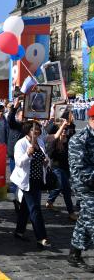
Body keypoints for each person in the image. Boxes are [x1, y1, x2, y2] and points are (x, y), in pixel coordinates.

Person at [10, 121, 50, 249]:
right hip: (26, 180)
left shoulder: (40, 141)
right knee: (35, 208)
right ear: (28, 131)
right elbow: (19, 163)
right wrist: (28, 154)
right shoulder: (21, 143)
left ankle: (19, 231)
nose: (37, 132)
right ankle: (41, 237)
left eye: (38, 129)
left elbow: (45, 157)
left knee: (26, 208)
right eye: (34, 130)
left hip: (38, 179)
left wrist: (46, 161)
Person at [67, 105, 94, 272]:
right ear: (91, 120)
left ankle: (74, 254)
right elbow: (83, 172)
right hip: (85, 187)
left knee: (85, 219)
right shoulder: (79, 140)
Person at [45, 118, 77, 221]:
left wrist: (69, 121)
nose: (64, 132)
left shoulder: (68, 139)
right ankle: (71, 213)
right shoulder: (53, 141)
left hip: (66, 167)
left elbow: (73, 130)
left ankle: (49, 202)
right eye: (62, 130)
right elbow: (50, 154)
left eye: (65, 130)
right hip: (56, 168)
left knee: (59, 187)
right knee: (66, 189)